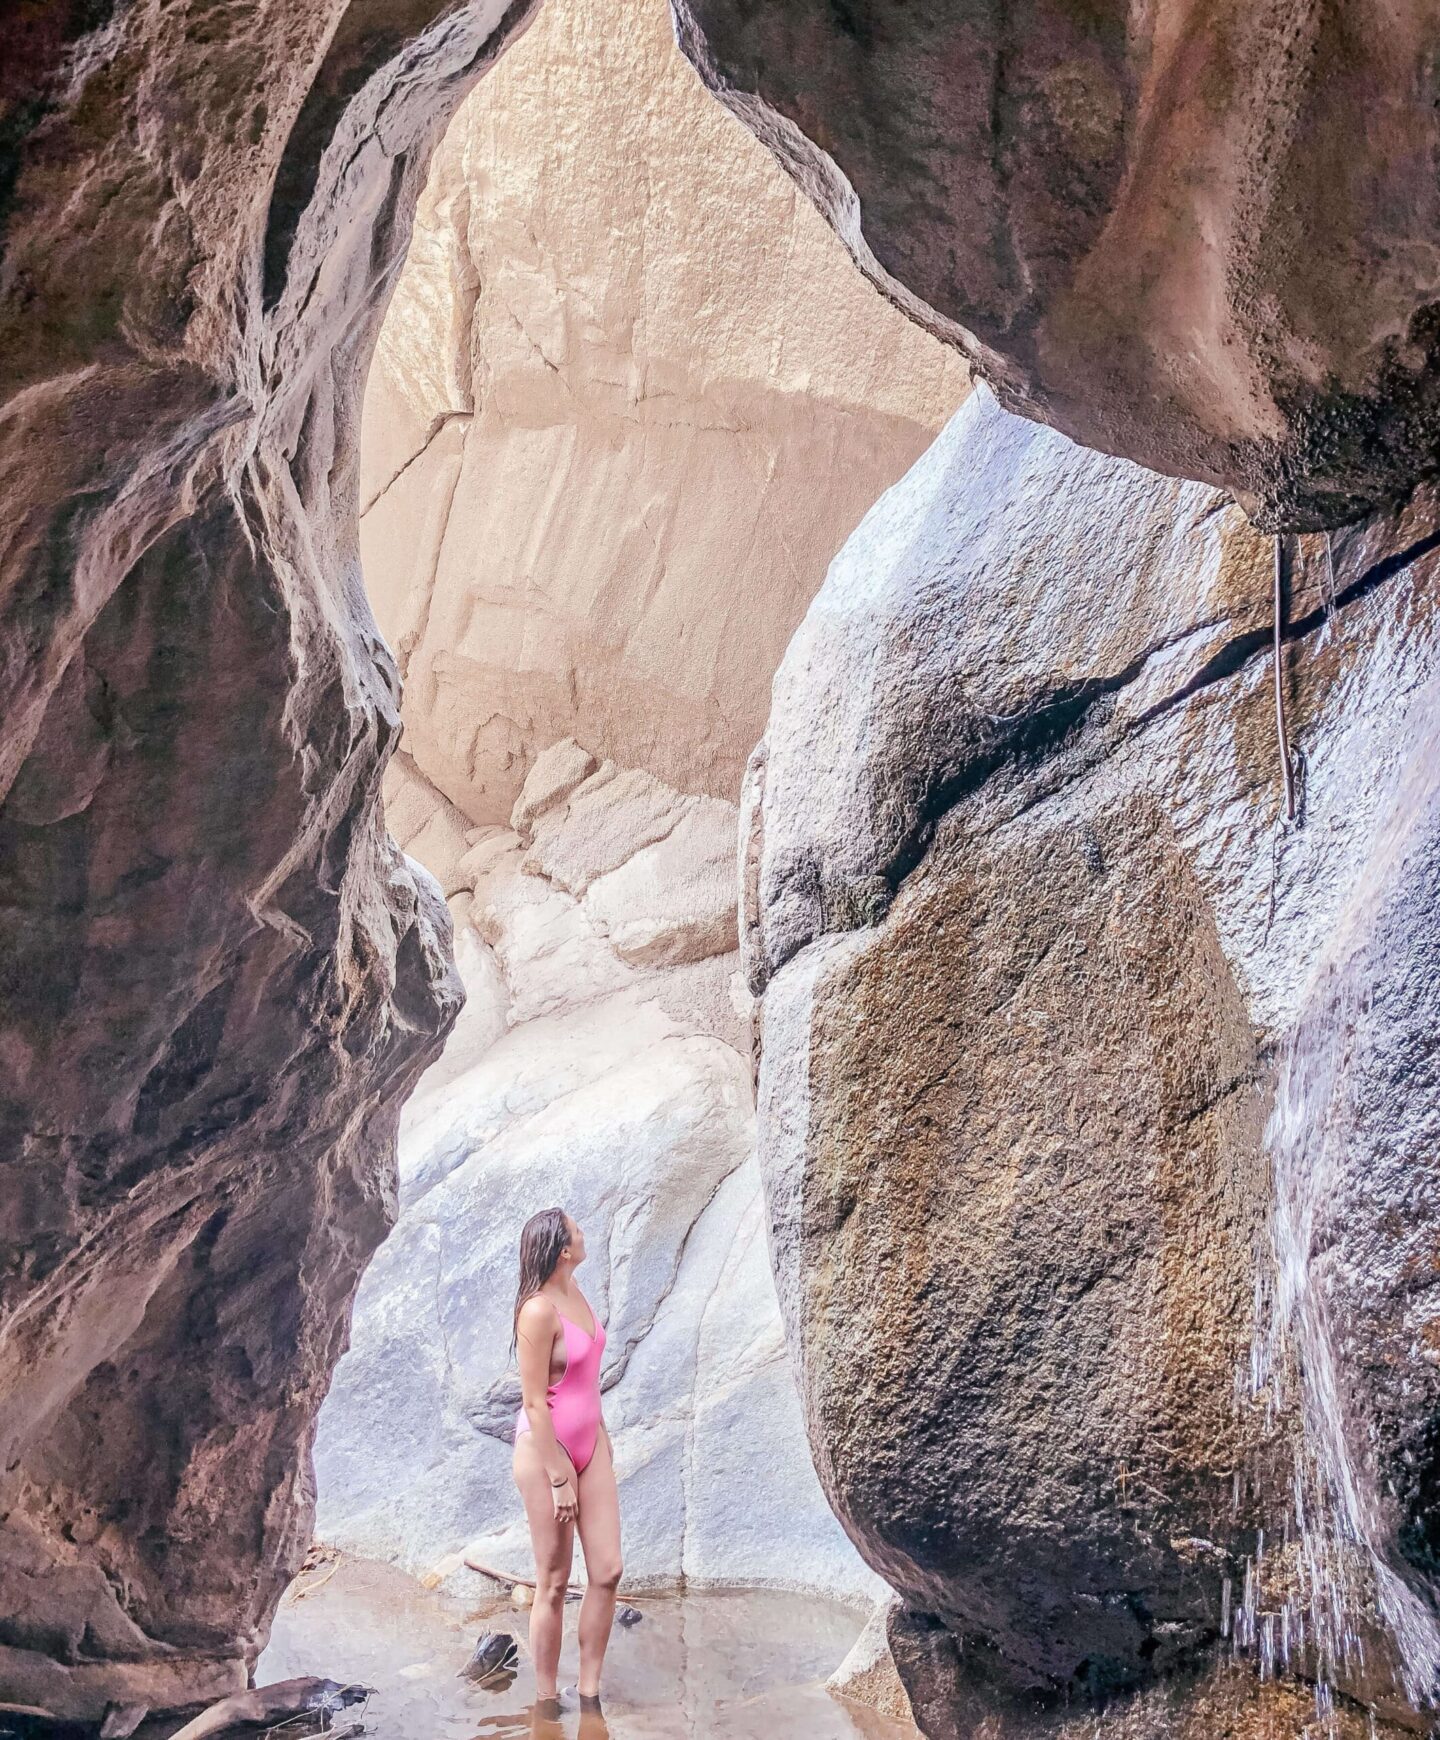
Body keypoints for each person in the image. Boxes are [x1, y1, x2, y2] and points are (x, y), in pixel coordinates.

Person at [512, 1206, 622, 1712]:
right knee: (553, 1581)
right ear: (561, 1249)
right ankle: (547, 1701)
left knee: (607, 1570)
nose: (584, 1235)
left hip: (591, 1443)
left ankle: (591, 1695)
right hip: (545, 1454)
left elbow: (586, 1382)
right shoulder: (537, 1310)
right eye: (577, 1231)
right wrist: (559, 1476)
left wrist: (600, 1438)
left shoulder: (576, 1294)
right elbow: (534, 1400)